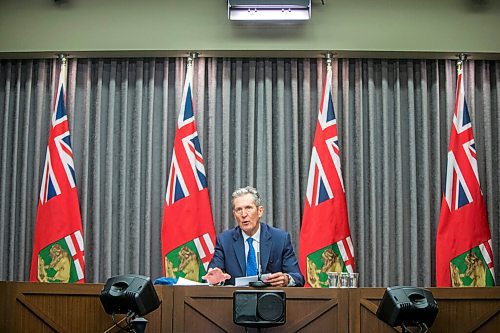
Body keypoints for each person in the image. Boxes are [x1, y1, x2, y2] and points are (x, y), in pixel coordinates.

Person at [205, 186, 304, 287]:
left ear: (260, 211)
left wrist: (286, 279)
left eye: (248, 208)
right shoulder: (225, 241)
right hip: (236, 300)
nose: (243, 214)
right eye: (239, 210)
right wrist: (216, 279)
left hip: (269, 300)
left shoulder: (280, 239)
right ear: (234, 215)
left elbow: (298, 278)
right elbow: (210, 277)